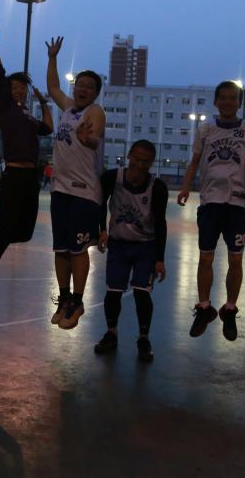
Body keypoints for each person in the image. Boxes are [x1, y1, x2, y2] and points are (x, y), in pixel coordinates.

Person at [177, 80, 245, 341]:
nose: (227, 102)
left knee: (236, 260)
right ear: (215, 101)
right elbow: (195, 161)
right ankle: (204, 307)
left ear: (239, 102)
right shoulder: (206, 129)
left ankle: (230, 309)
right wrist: (186, 187)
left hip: (238, 206)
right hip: (210, 204)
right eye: (222, 97)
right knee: (205, 258)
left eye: (232, 98)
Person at [0, 22, 53, 312]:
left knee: (25, 233)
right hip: (14, 175)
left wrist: (43, 103)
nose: (18, 90)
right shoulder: (4, 106)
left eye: (22, 88)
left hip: (31, 178)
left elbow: (48, 128)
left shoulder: (28, 115)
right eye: (15, 87)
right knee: (7, 234)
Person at [45, 36, 106, 329]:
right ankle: (64, 298)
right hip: (60, 189)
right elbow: (53, 88)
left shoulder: (95, 112)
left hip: (84, 193)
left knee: (78, 250)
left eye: (89, 87)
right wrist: (52, 58)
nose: (82, 89)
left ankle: (78, 302)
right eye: (79, 85)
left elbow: (94, 139)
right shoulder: (68, 108)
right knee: (61, 249)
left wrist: (87, 138)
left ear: (95, 93)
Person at [94, 140, 168, 362]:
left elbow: (161, 223)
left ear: (151, 163)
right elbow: (100, 204)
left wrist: (160, 258)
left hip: (145, 246)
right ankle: (111, 333)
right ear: (128, 156)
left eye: (145, 161)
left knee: (141, 292)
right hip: (118, 244)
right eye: (136, 159)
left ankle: (144, 338)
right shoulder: (112, 178)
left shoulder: (157, 187)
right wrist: (102, 230)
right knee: (113, 291)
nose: (139, 165)